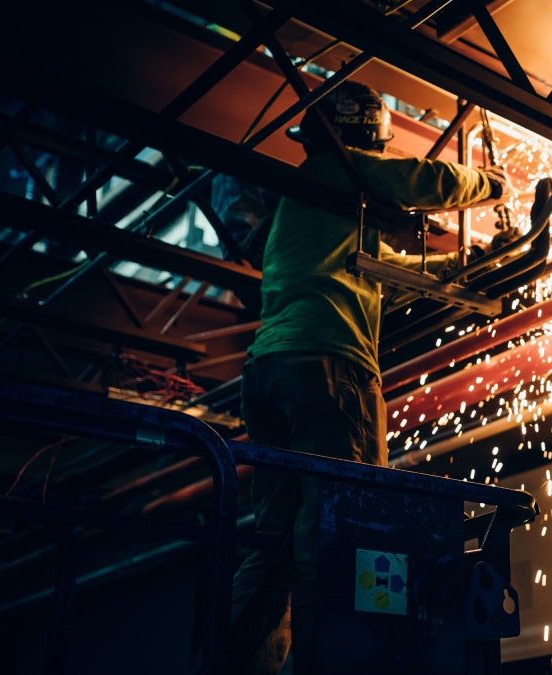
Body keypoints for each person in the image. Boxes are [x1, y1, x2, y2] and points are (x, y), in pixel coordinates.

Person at [226, 80, 511, 675]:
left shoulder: (307, 200)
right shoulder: (349, 170)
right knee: (341, 522)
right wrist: (494, 185)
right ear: (368, 133)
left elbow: (384, 269)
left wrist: (468, 262)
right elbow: (426, 181)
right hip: (329, 366)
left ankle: (236, 663)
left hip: (269, 370)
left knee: (275, 533)